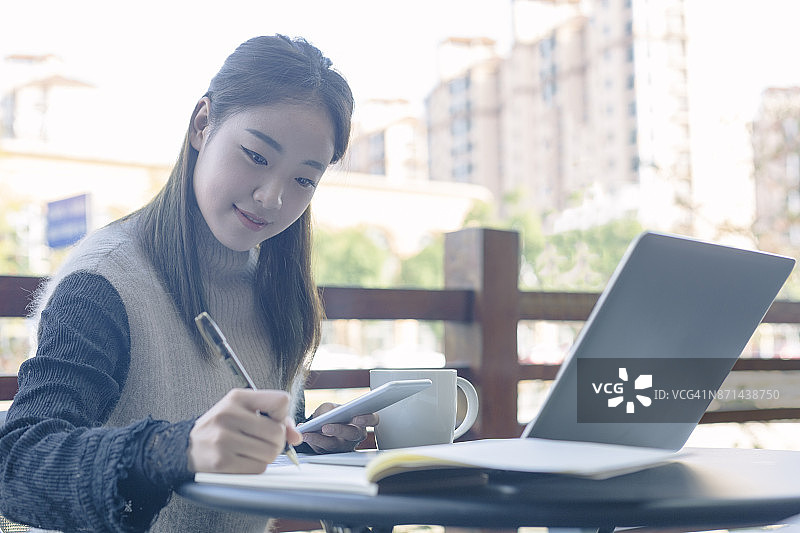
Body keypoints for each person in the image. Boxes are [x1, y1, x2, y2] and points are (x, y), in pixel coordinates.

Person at [0, 34, 377, 532]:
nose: (271, 198)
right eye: (257, 157)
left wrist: (306, 438)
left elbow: (251, 461)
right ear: (203, 125)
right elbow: (18, 466)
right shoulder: (105, 281)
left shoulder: (276, 292)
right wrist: (177, 448)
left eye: (304, 181)